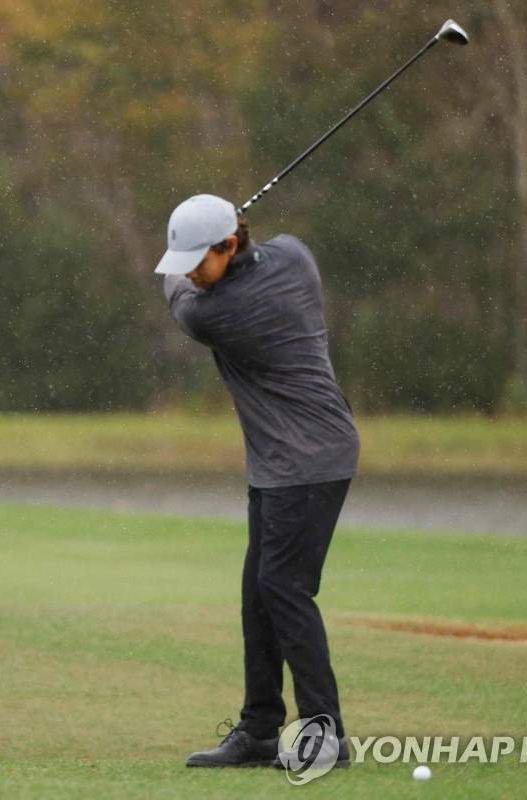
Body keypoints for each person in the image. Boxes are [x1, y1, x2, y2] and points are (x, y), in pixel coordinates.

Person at [155, 194, 360, 769]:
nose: (191, 272)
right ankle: (260, 729)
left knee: (286, 592)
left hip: (310, 459)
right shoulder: (294, 259)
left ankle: (327, 736)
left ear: (228, 245)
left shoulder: (213, 312)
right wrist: (219, 231)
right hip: (282, 460)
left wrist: (183, 253)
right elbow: (282, 245)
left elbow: (180, 299)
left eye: (199, 258)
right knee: (259, 594)